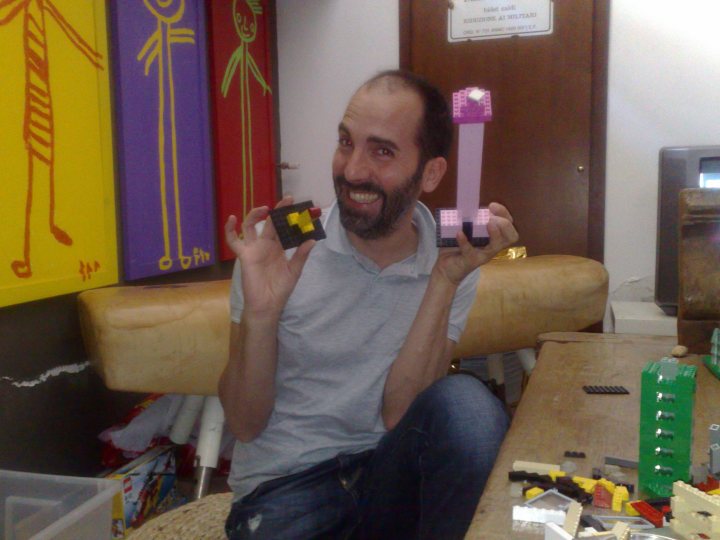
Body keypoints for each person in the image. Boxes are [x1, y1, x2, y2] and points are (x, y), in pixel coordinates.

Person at [219, 70, 519, 540]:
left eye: (382, 151)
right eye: (345, 142)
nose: (353, 170)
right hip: (287, 489)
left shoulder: (452, 253)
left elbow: (400, 415)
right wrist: (261, 313)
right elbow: (242, 421)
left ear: (432, 172)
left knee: (469, 406)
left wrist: (443, 278)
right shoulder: (283, 239)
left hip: (391, 478)